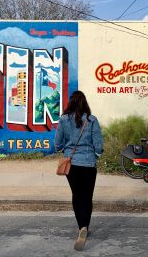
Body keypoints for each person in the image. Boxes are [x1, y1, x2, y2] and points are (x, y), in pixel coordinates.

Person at [55, 90, 104, 251]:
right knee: (87, 197)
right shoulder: (92, 120)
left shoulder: (63, 120)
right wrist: (97, 153)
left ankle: (80, 226)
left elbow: (58, 144)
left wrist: (63, 149)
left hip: (72, 164)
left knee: (76, 195)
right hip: (89, 164)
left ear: (71, 103)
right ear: (85, 103)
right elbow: (99, 146)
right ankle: (85, 227)